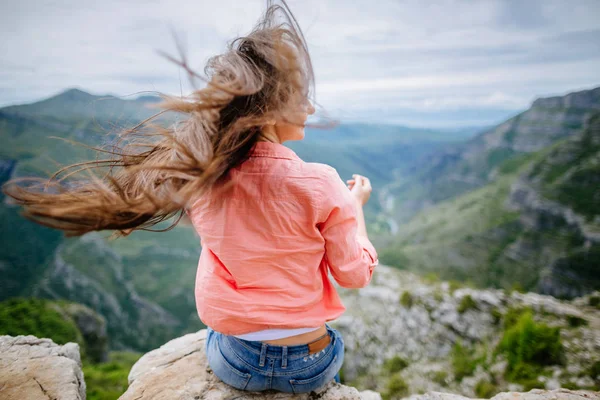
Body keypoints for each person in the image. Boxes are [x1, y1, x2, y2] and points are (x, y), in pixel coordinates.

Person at [2, 0, 378, 394]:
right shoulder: (321, 181)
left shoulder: (203, 178)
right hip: (310, 362)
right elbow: (353, 274)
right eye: (301, 98)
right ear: (269, 108)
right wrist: (354, 211)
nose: (311, 107)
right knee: (328, 349)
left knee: (215, 320)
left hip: (239, 362)